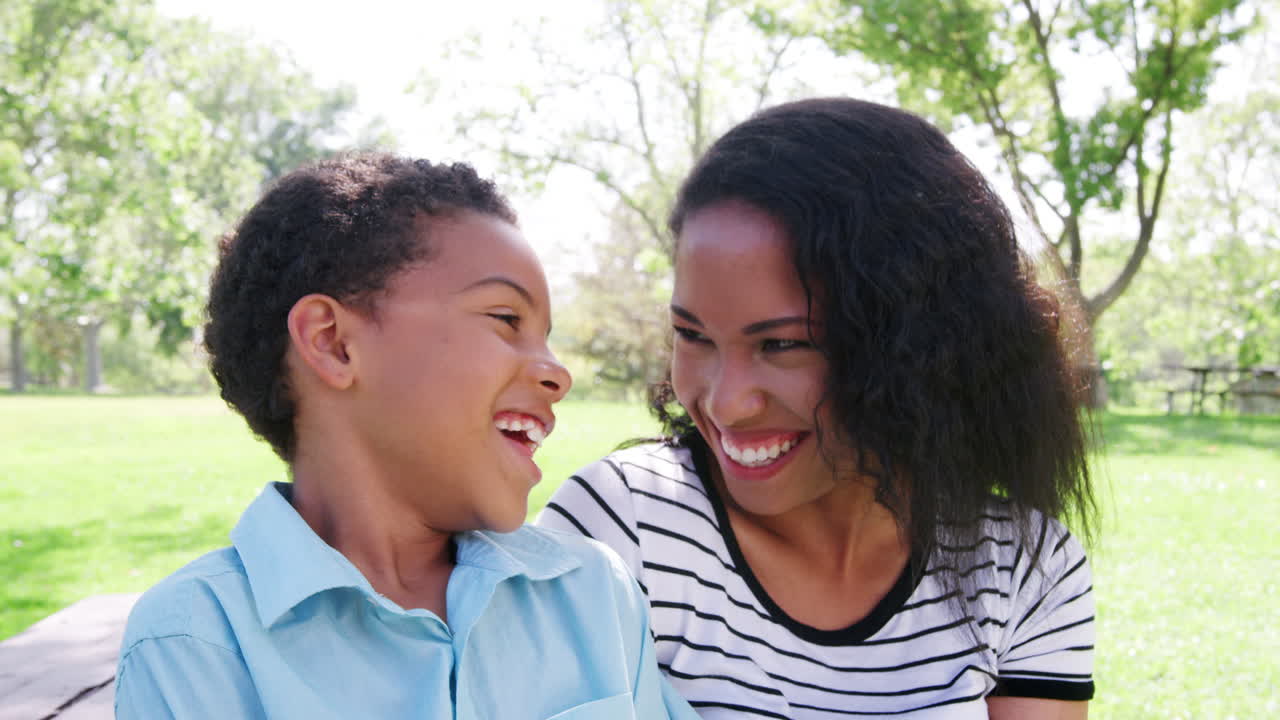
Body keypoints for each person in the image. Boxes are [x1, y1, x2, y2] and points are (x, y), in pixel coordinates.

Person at [539, 98, 1097, 719]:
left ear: (923, 348)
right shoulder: (621, 533)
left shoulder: (1024, 566)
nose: (727, 403)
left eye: (782, 344)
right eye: (693, 336)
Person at [115, 152, 700, 720]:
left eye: (546, 336)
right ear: (333, 343)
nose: (556, 371)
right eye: (505, 319)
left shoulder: (593, 593)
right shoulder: (195, 645)